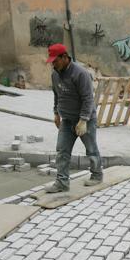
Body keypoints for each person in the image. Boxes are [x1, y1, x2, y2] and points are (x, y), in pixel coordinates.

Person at [45, 43, 103, 193]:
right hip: (67, 120)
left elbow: (88, 99)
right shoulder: (55, 74)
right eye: (51, 61)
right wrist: (56, 113)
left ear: (64, 57)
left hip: (85, 120)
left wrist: (83, 120)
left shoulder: (80, 74)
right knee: (62, 151)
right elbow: (57, 95)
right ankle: (62, 183)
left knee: (91, 150)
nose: (53, 64)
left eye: (55, 61)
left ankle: (97, 175)